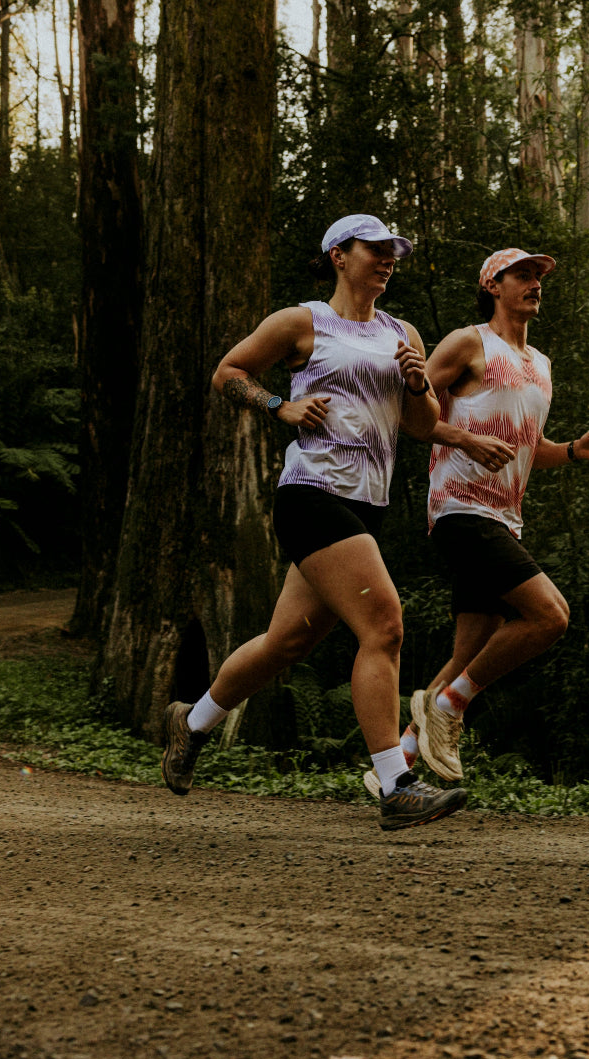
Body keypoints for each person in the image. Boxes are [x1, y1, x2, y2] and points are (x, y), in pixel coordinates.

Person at [160, 213, 468, 831]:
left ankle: (190, 724)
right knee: (384, 625)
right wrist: (281, 404)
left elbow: (416, 424)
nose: (386, 260)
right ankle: (394, 784)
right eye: (374, 249)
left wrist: (416, 385)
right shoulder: (302, 322)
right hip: (311, 492)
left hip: (366, 503)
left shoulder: (401, 332)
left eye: (393, 253)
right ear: (338, 255)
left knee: (287, 643)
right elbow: (229, 372)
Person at [362, 247, 589, 795]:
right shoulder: (468, 342)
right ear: (492, 286)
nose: (534, 283)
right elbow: (410, 414)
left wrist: (572, 451)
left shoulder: (541, 364)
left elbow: (526, 446)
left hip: (504, 517)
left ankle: (393, 773)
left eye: (538, 276)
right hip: (459, 509)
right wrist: (464, 440)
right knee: (551, 617)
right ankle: (451, 707)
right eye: (521, 275)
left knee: (466, 653)